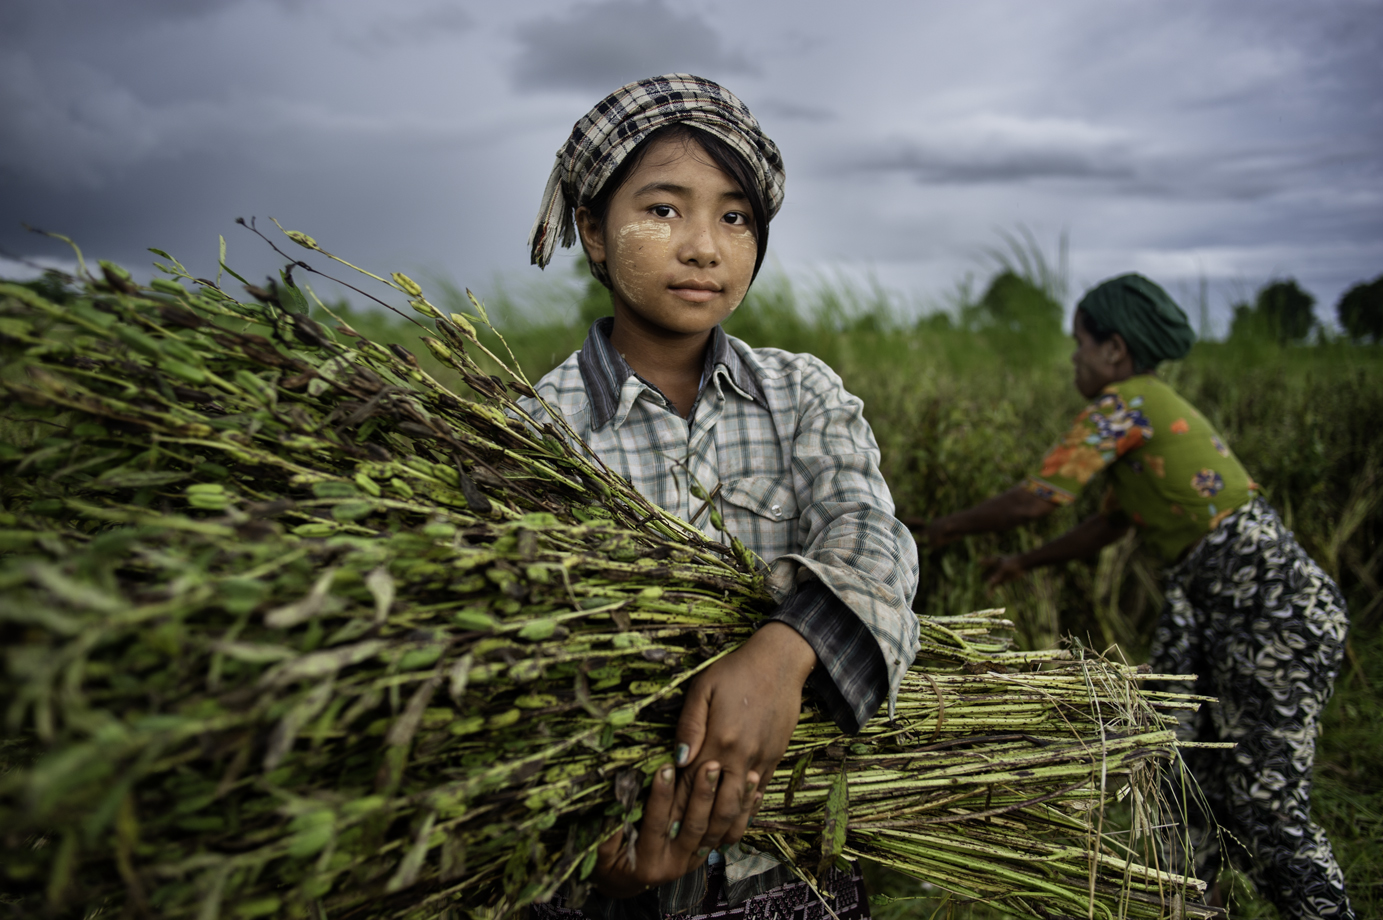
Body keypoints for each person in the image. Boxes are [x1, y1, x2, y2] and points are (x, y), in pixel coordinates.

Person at [520, 74, 919, 918]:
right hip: (613, 870)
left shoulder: (800, 394)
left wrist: (782, 652)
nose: (703, 246)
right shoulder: (533, 434)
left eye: (734, 218)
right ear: (592, 230)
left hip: (788, 864)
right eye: (663, 210)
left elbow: (872, 538)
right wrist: (594, 855)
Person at [920, 274, 1354, 920]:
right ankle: (1195, 908)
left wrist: (942, 529)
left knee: (1265, 805)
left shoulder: (1124, 405)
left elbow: (1043, 495)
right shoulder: (1148, 410)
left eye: (1078, 344)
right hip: (1221, 609)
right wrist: (1022, 562)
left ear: (1113, 352)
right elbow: (1109, 523)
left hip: (1271, 612)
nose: (1072, 358)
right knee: (1186, 783)